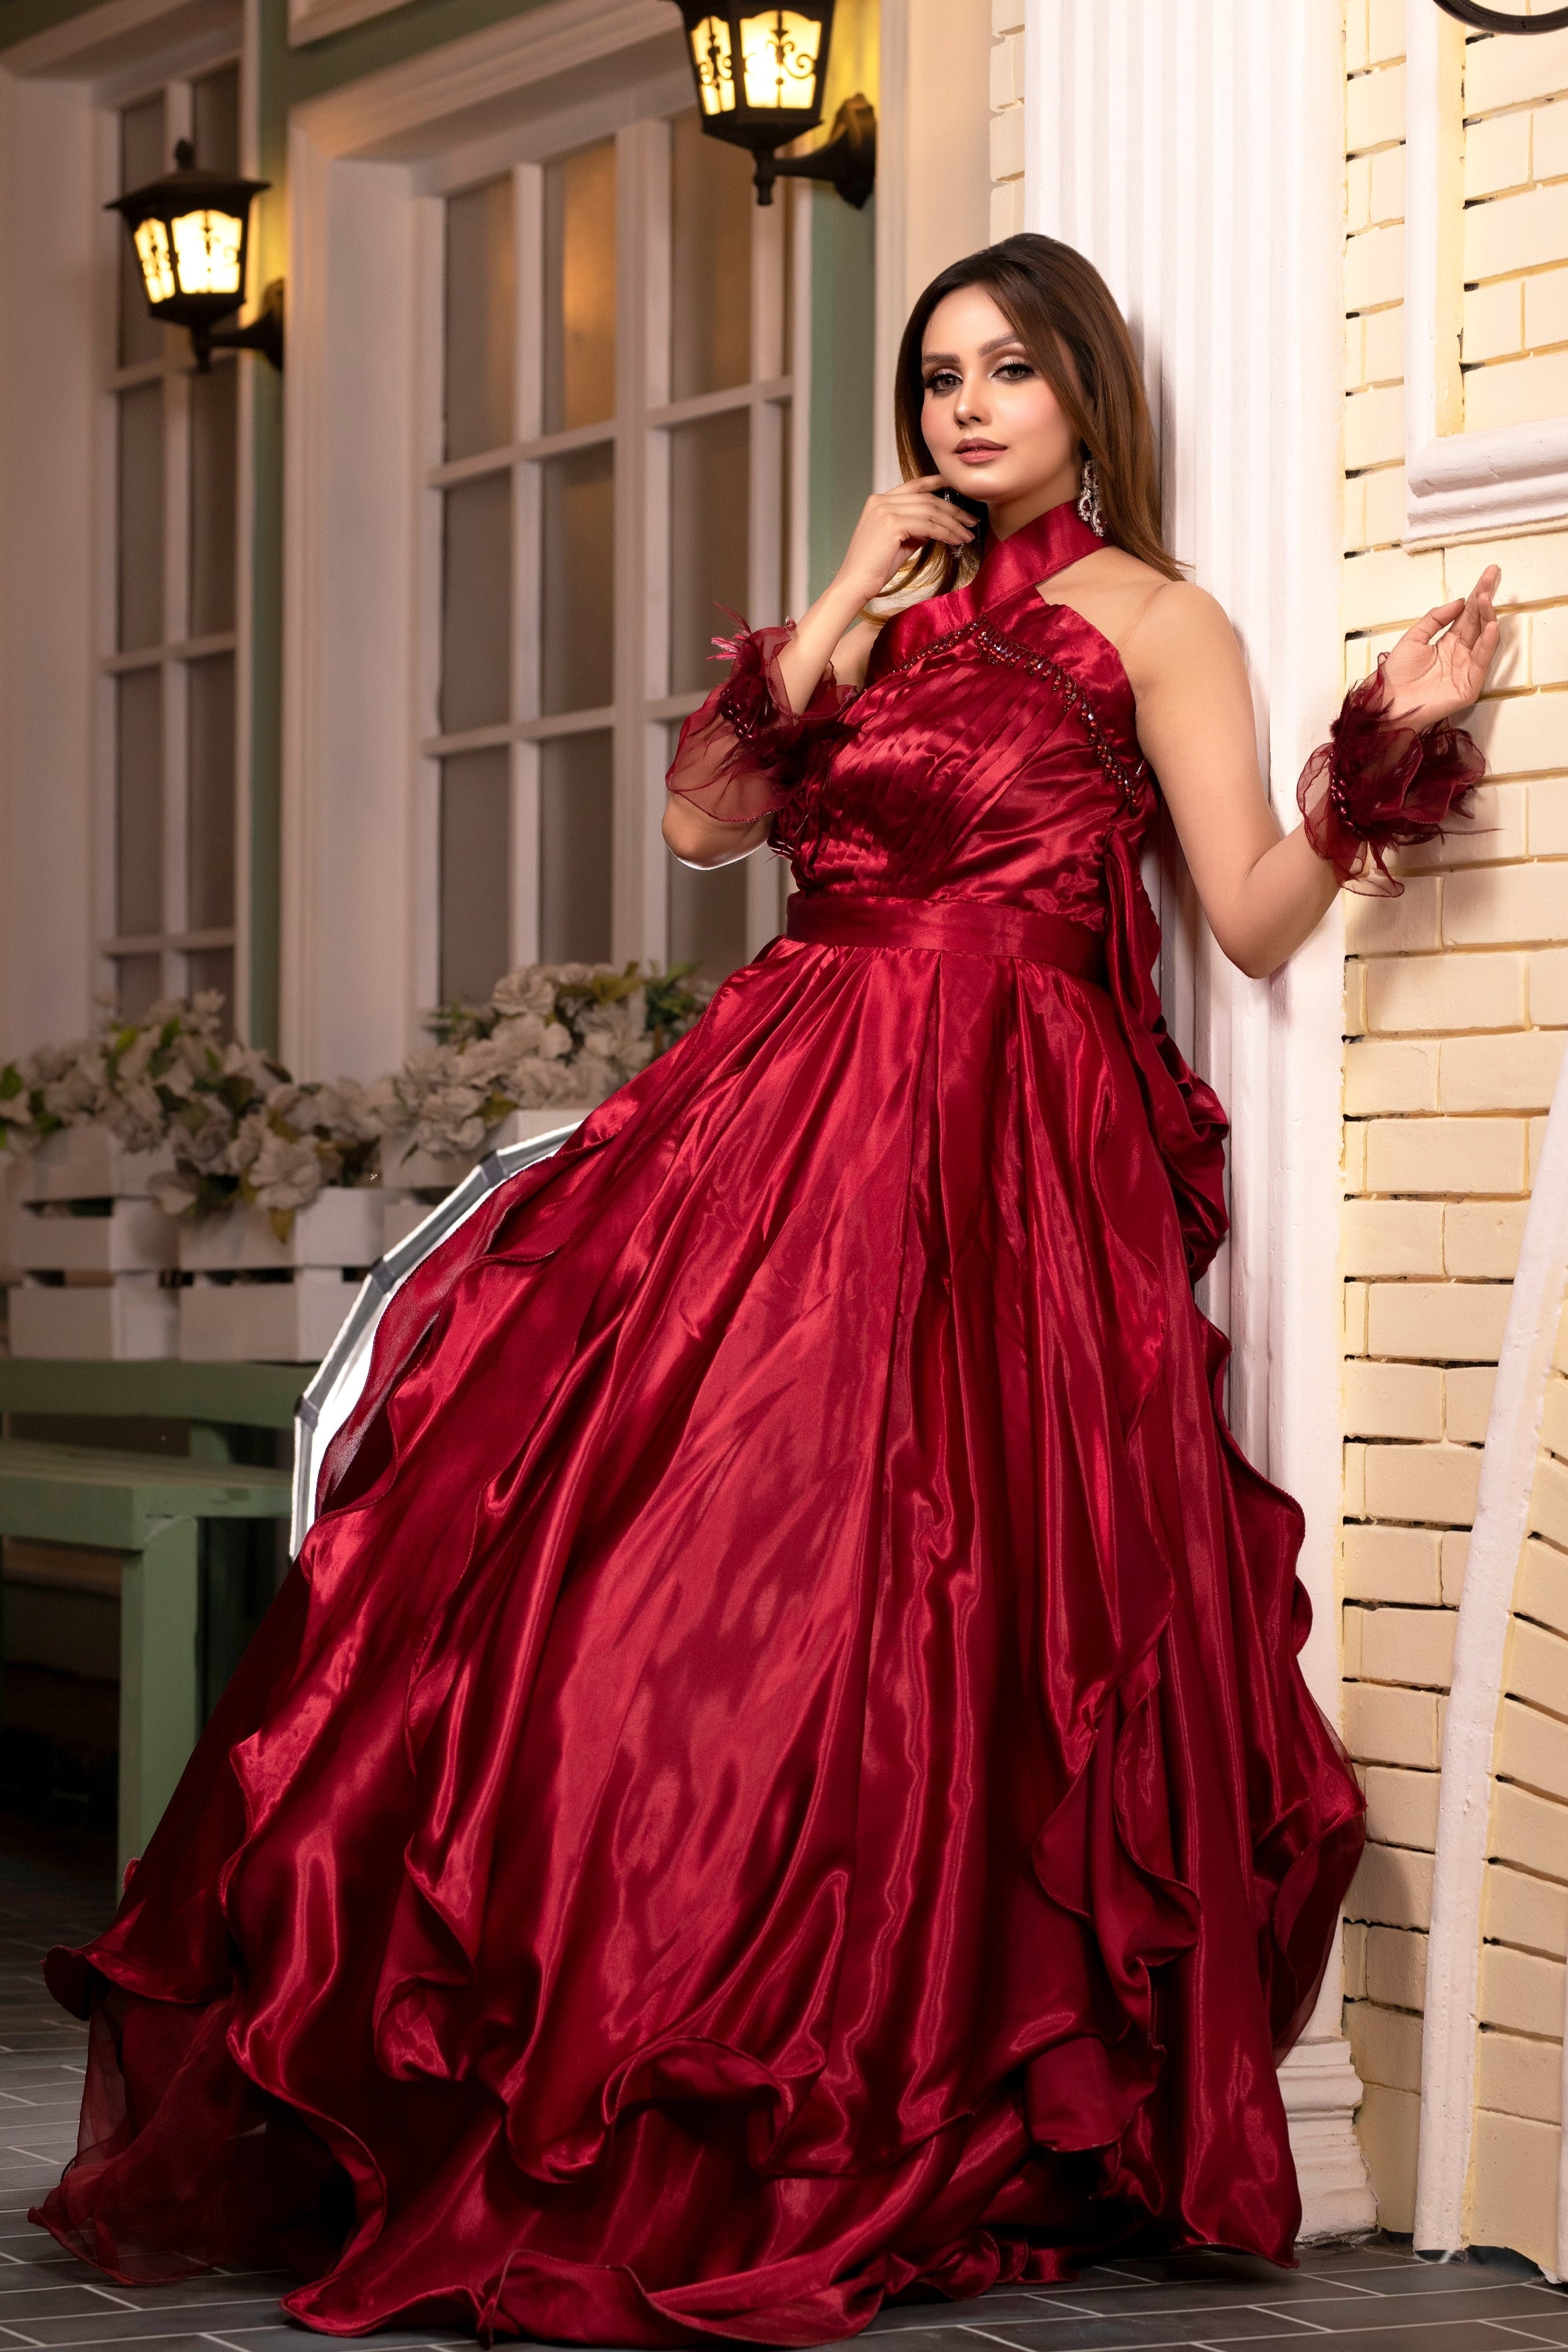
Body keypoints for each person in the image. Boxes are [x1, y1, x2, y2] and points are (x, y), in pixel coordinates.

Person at [34, 234, 1498, 2345]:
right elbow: (707, 822)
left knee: (924, 1604)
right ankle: (570, 2055)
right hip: (779, 1111)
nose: (967, 408)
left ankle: (864, 2087)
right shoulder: (879, 621)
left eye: (1008, 371)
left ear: (1086, 392)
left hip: (994, 1142)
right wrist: (841, 602)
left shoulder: (1155, 622)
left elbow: (1251, 917)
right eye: (938, 379)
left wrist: (1382, 755)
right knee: (641, 1575)